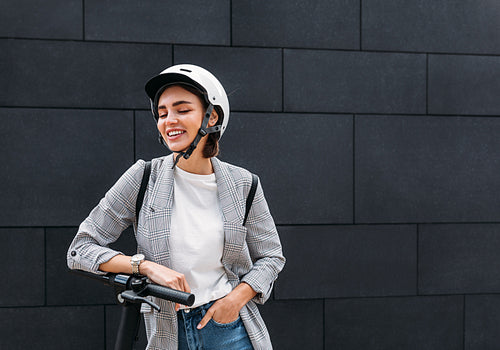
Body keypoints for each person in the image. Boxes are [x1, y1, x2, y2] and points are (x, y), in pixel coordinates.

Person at [67, 64, 285, 350]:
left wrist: (235, 299)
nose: (169, 120)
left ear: (212, 116)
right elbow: (79, 250)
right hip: (169, 334)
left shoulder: (243, 184)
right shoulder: (142, 177)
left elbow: (271, 257)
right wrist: (144, 267)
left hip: (229, 330)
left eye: (182, 110)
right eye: (162, 112)